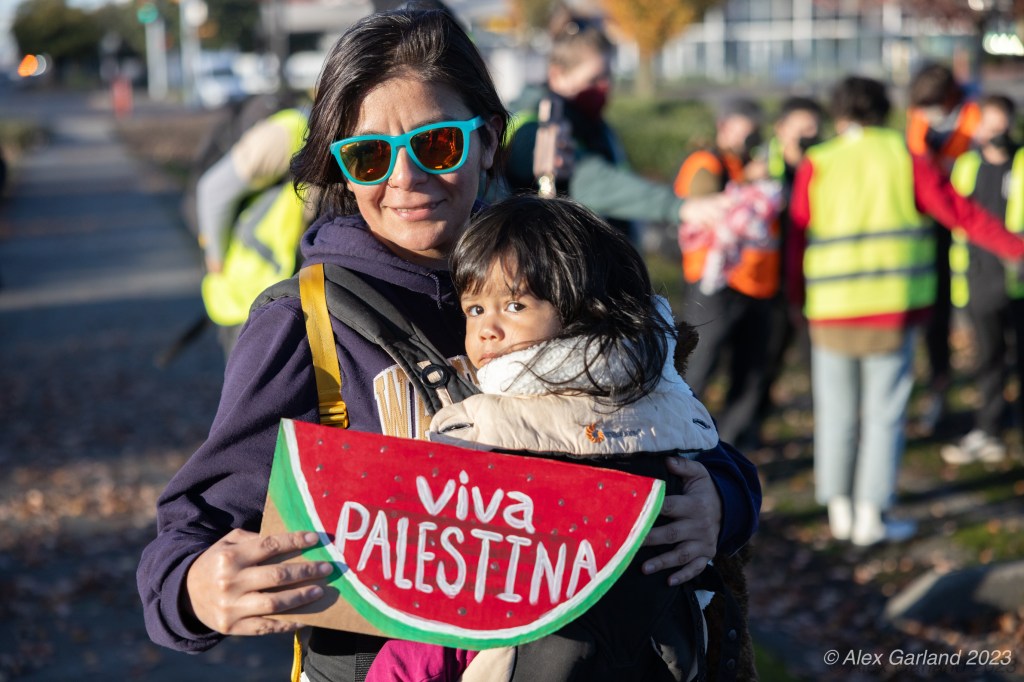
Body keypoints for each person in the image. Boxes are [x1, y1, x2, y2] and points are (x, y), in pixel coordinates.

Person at [136, 9, 761, 682]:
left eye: (435, 145)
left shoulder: (556, 272)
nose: (404, 177)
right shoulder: (302, 324)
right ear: (342, 169)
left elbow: (680, 432)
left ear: (487, 141)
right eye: (369, 156)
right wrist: (197, 589)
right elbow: (191, 531)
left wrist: (722, 501)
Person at [364, 195, 747, 682]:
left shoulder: (481, 429)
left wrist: (398, 669)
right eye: (475, 308)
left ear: (581, 310)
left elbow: (455, 585)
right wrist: (730, 500)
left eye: (515, 305)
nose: (487, 330)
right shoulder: (668, 406)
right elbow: (726, 472)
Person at [788, 75, 1024, 546]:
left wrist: (796, 299)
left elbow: (797, 236)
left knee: (835, 412)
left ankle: (839, 510)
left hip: (831, 311)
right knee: (884, 415)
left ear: (838, 114)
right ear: (885, 111)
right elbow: (960, 213)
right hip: (891, 312)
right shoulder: (905, 158)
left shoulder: (819, 161)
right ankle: (872, 516)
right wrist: (1016, 247)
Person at [502, 12, 718, 246]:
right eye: (594, 79)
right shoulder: (532, 128)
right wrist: (678, 207)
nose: (605, 87)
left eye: (608, 76)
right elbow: (591, 180)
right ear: (557, 75)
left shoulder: (595, 127)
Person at [673, 97, 782, 451]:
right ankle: (679, 442)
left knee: (750, 371)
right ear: (723, 126)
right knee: (698, 366)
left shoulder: (750, 163)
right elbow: (700, 201)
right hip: (714, 283)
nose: (751, 139)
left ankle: (732, 446)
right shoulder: (707, 162)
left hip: (757, 284)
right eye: (745, 131)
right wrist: (748, 182)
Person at [940, 94, 1023, 465]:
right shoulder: (966, 166)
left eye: (1001, 123)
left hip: (1018, 279)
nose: (995, 131)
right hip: (979, 278)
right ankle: (989, 429)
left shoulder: (1021, 163)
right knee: (988, 359)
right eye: (988, 124)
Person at [194, 99, 314, 358]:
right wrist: (215, 258)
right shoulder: (290, 132)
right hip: (250, 288)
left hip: (283, 288)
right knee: (252, 376)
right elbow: (212, 191)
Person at [905, 62, 982, 434]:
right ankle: (938, 391)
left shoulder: (977, 120)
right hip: (928, 232)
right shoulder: (917, 119)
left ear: (950, 98)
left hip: (967, 227)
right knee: (933, 321)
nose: (928, 114)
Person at [758, 96, 824, 420]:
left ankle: (825, 417)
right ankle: (754, 419)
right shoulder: (761, 165)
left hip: (814, 275)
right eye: (801, 129)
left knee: (817, 356)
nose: (808, 136)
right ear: (780, 129)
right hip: (771, 279)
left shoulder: (826, 164)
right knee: (766, 355)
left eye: (814, 129)